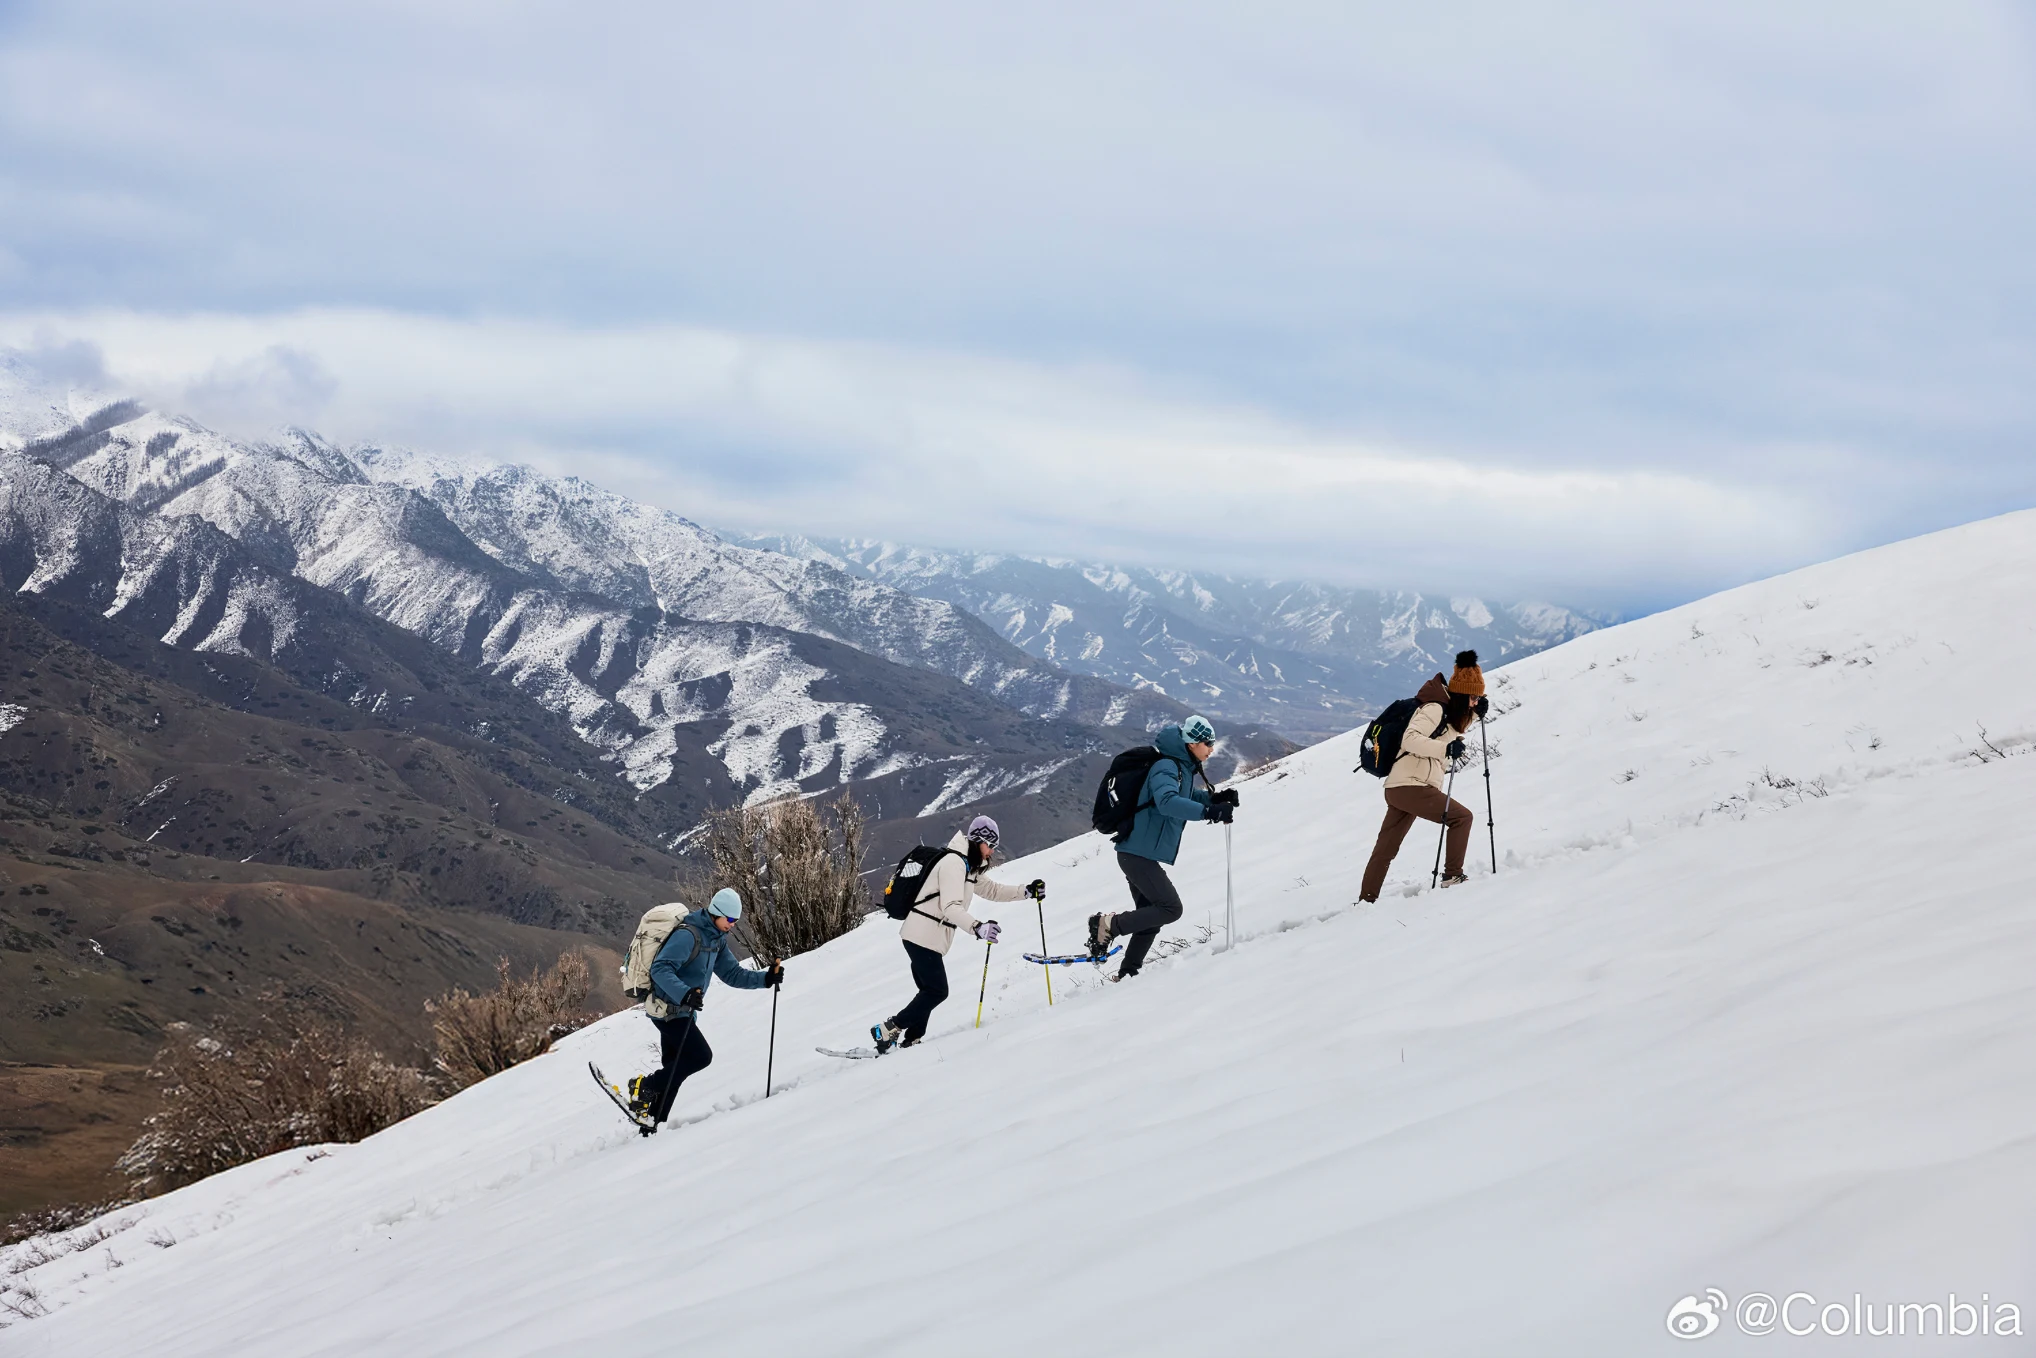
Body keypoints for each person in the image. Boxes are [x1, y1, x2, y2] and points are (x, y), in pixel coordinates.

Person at [871, 815, 1039, 1054]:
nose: (991, 851)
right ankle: (889, 1029)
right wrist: (978, 927)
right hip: (922, 935)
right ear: (978, 840)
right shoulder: (954, 863)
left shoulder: (968, 866)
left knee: (928, 991)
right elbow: (950, 907)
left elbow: (992, 890)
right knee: (937, 991)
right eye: (990, 845)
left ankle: (912, 1040)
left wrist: (1026, 891)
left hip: (927, 936)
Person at [1088, 714, 1235, 981]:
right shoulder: (1167, 766)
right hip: (1136, 854)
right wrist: (1208, 812)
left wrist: (1214, 798)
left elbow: (1184, 795)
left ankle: (1128, 974)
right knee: (1170, 908)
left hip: (1138, 853)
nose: (1212, 749)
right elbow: (1167, 801)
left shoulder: (1180, 766)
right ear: (1192, 743)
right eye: (1208, 743)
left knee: (1151, 917)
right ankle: (1108, 925)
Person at [628, 887, 780, 1123]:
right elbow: (660, 969)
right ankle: (644, 1085)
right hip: (667, 1009)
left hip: (683, 1011)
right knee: (700, 1056)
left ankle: (652, 1122)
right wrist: (685, 994)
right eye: (729, 919)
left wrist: (765, 979)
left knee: (674, 1069)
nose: (732, 925)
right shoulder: (688, 935)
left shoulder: (716, 940)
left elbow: (732, 974)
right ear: (716, 913)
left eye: (735, 920)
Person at [1358, 652, 1488, 903]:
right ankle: (1453, 876)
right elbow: (1411, 739)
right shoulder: (1434, 708)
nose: (1475, 702)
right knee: (1462, 818)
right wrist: (1446, 749)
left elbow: (1450, 732)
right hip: (1411, 785)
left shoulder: (1448, 711)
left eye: (1479, 698)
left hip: (1402, 787)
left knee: (1386, 848)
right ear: (1461, 695)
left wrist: (1474, 715)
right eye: (1473, 698)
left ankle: (1366, 901)